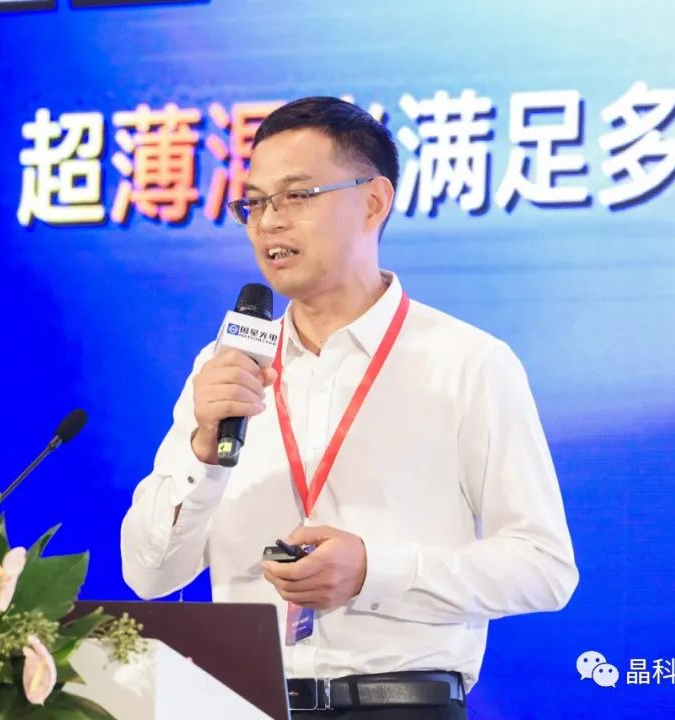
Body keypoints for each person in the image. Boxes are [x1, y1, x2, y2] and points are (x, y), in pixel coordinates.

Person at [121, 96, 578, 719]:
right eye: (253, 203)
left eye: (297, 195)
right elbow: (148, 575)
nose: (269, 222)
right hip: (241, 703)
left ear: (374, 201)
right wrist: (204, 449)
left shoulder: (468, 362)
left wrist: (374, 572)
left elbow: (544, 567)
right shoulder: (225, 366)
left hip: (397, 705)